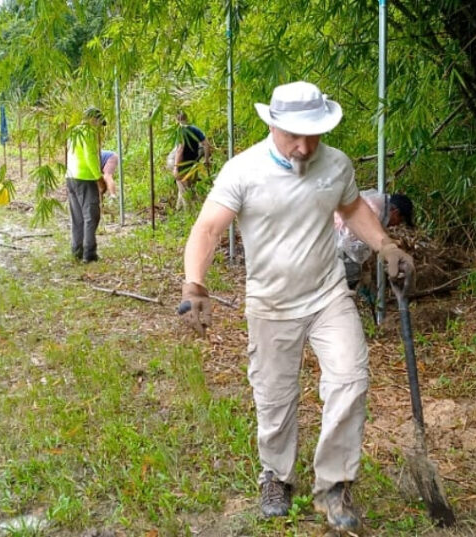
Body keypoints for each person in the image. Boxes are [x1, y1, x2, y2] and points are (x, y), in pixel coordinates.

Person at [180, 81, 414, 533]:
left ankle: (334, 486)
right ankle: (276, 476)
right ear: (272, 125)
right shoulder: (243, 170)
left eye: (313, 135)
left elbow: (353, 209)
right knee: (274, 396)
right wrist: (195, 285)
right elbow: (207, 228)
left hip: (328, 295)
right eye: (294, 136)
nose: (305, 147)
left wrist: (385, 244)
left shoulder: (336, 164)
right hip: (270, 302)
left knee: (350, 379)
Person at [335, 191, 414, 290]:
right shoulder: (374, 212)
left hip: (331, 245)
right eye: (400, 220)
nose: (397, 224)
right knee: (351, 274)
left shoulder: (373, 204)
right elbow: (352, 245)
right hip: (330, 249)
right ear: (395, 212)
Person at [65, 107, 106, 262]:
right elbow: (90, 157)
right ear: (92, 119)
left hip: (71, 177)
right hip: (85, 178)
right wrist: (99, 178)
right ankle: (89, 253)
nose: (98, 127)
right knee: (91, 216)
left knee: (77, 216)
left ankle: (77, 250)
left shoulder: (74, 131)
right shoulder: (88, 133)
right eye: (98, 123)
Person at [172, 111, 212, 210]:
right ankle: (178, 210)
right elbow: (206, 144)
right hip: (194, 163)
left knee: (186, 192)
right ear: (187, 118)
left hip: (183, 165)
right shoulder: (195, 129)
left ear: (176, 120)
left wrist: (176, 168)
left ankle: (190, 213)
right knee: (186, 188)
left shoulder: (180, 131)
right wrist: (206, 160)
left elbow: (180, 150)